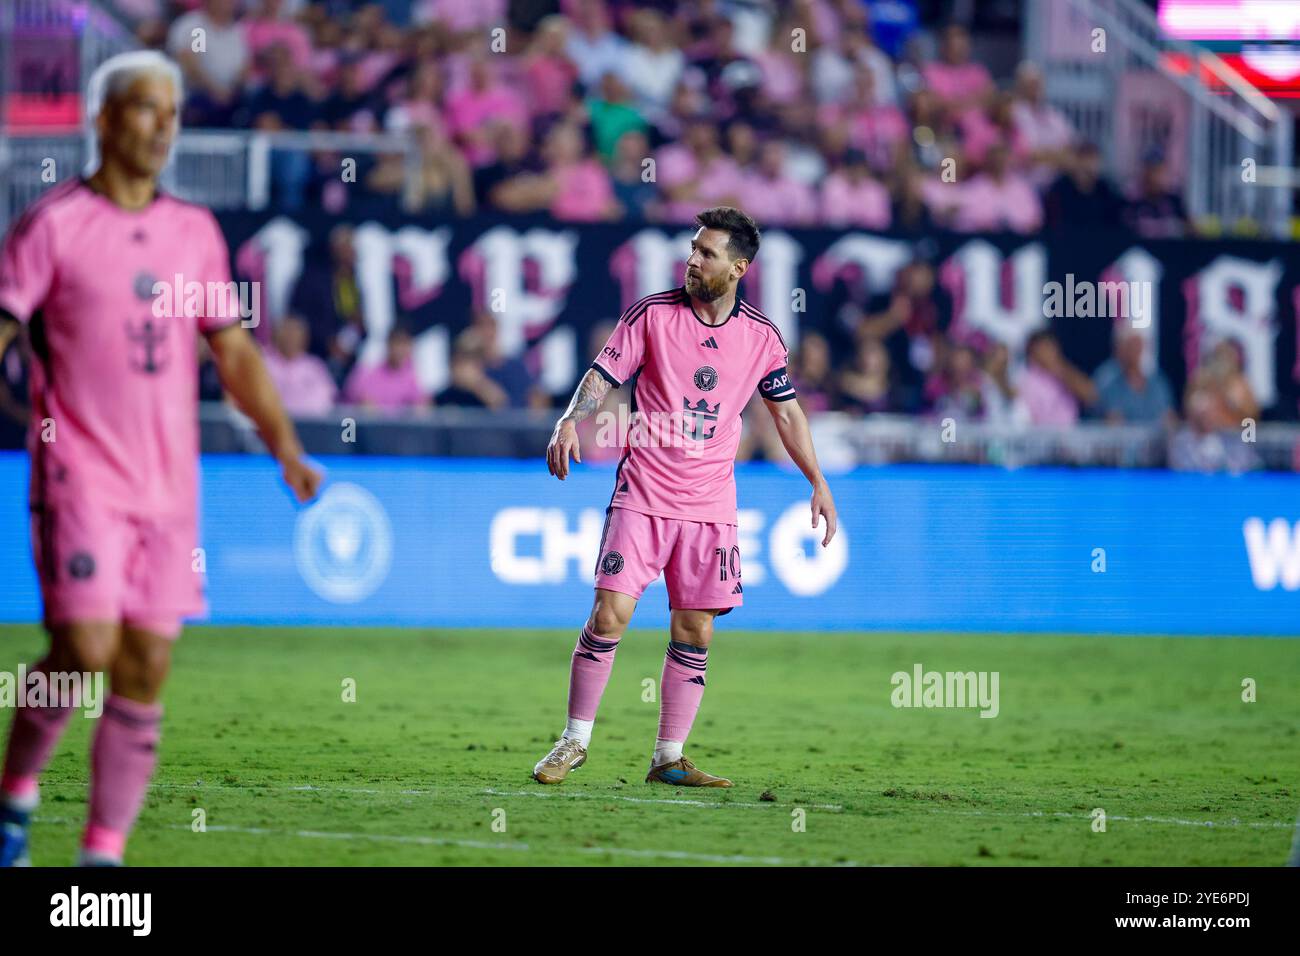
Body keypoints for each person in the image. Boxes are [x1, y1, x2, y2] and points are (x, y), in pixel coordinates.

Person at [0, 51, 320, 867]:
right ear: (105, 120)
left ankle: (101, 857)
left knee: (144, 665)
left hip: (170, 486)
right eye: (145, 108)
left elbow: (234, 354)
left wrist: (285, 446)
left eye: (172, 112)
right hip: (78, 473)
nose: (162, 126)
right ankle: (13, 799)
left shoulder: (192, 233)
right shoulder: (54, 226)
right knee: (85, 649)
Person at [534, 206, 838, 788]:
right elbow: (603, 373)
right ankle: (573, 742)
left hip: (709, 508)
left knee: (695, 630)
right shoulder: (651, 315)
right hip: (643, 494)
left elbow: (788, 414)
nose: (692, 260)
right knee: (610, 613)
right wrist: (571, 421)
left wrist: (817, 480)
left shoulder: (762, 338)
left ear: (739, 268)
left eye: (707, 253)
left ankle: (667, 758)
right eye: (692, 249)